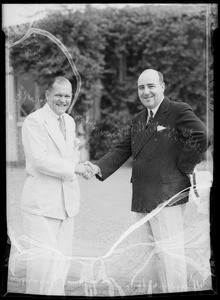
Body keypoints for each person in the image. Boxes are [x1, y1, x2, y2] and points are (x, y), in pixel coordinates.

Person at [83, 69, 209, 293]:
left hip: (167, 198)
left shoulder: (178, 110)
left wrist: (185, 165)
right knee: (151, 257)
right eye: (141, 87)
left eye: (151, 85)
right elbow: (122, 148)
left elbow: (201, 135)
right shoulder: (139, 119)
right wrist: (96, 167)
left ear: (162, 86)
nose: (146, 91)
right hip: (142, 198)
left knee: (171, 259)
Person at [20, 76, 91, 295]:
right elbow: (40, 159)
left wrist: (82, 165)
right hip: (42, 206)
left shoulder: (69, 121)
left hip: (66, 205)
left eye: (67, 96)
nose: (63, 100)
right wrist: (75, 169)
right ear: (47, 95)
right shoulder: (34, 120)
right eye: (58, 95)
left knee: (61, 266)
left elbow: (69, 156)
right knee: (41, 270)